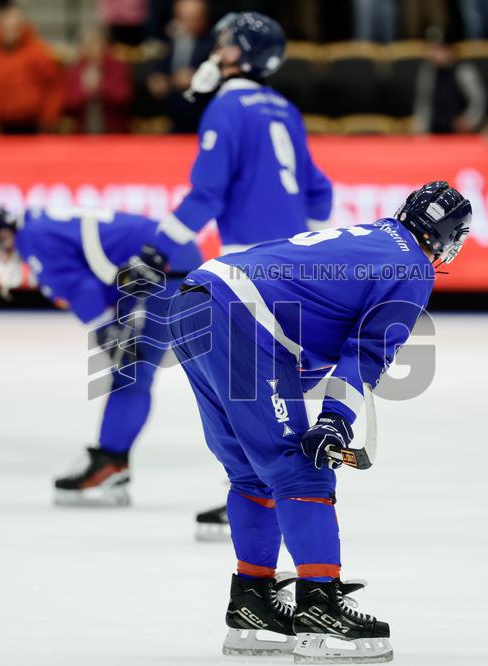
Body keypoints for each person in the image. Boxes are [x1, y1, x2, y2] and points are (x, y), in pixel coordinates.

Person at [168, 181, 472, 661]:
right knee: (299, 467)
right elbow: (366, 354)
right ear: (449, 236)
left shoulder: (375, 235)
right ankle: (320, 605)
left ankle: (254, 603)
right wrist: (334, 420)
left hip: (194, 300)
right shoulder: (413, 266)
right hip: (242, 315)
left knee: (251, 472)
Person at [54, 12, 334, 523]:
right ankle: (279, 490)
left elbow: (207, 194)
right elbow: (320, 190)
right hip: (295, 261)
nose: (216, 52)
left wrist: (158, 249)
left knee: (244, 387)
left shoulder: (228, 108)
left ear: (245, 54)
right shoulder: (283, 107)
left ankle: (267, 495)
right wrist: (307, 243)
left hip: (249, 266)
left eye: (226, 46)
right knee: (276, 382)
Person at [0, 206, 202, 506]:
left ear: (1, 237)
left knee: (133, 372)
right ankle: (112, 458)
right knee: (130, 372)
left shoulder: (33, 240)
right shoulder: (39, 227)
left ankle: (112, 461)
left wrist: (105, 330)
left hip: (162, 270)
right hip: (161, 262)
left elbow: (84, 288)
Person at [0, 6, 64, 134]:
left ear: (22, 27)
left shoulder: (39, 53)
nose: (10, 32)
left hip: (34, 125)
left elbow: (54, 87)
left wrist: (49, 118)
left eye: (15, 27)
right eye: (6, 27)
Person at [145, 0, 213, 133]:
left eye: (194, 18)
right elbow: (158, 69)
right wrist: (157, 79)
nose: (188, 24)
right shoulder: (169, 41)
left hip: (201, 114)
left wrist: (196, 77)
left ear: (204, 19)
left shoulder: (214, 43)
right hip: (170, 116)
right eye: (183, 19)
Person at [412, 28, 487, 134]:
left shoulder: (463, 70)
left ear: (450, 50)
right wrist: (420, 131)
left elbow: (478, 99)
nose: (434, 53)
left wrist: (469, 120)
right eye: (432, 48)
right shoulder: (427, 71)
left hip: (461, 133)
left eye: (439, 49)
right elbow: (423, 103)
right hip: (434, 131)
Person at [64, 30, 134, 133]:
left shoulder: (118, 67)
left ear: (105, 46)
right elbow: (68, 104)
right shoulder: (75, 70)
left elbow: (124, 98)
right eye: (87, 45)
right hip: (82, 132)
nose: (91, 49)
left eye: (95, 44)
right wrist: (85, 91)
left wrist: (101, 87)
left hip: (114, 131)